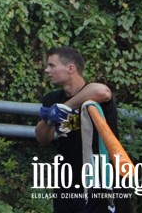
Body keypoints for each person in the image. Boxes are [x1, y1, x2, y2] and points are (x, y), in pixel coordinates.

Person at [35, 46, 122, 212]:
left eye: (52, 65)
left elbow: (103, 91)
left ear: (70, 68)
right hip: (67, 179)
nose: (47, 70)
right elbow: (42, 138)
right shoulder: (52, 99)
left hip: (99, 180)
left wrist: (64, 108)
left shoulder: (95, 94)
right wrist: (48, 118)